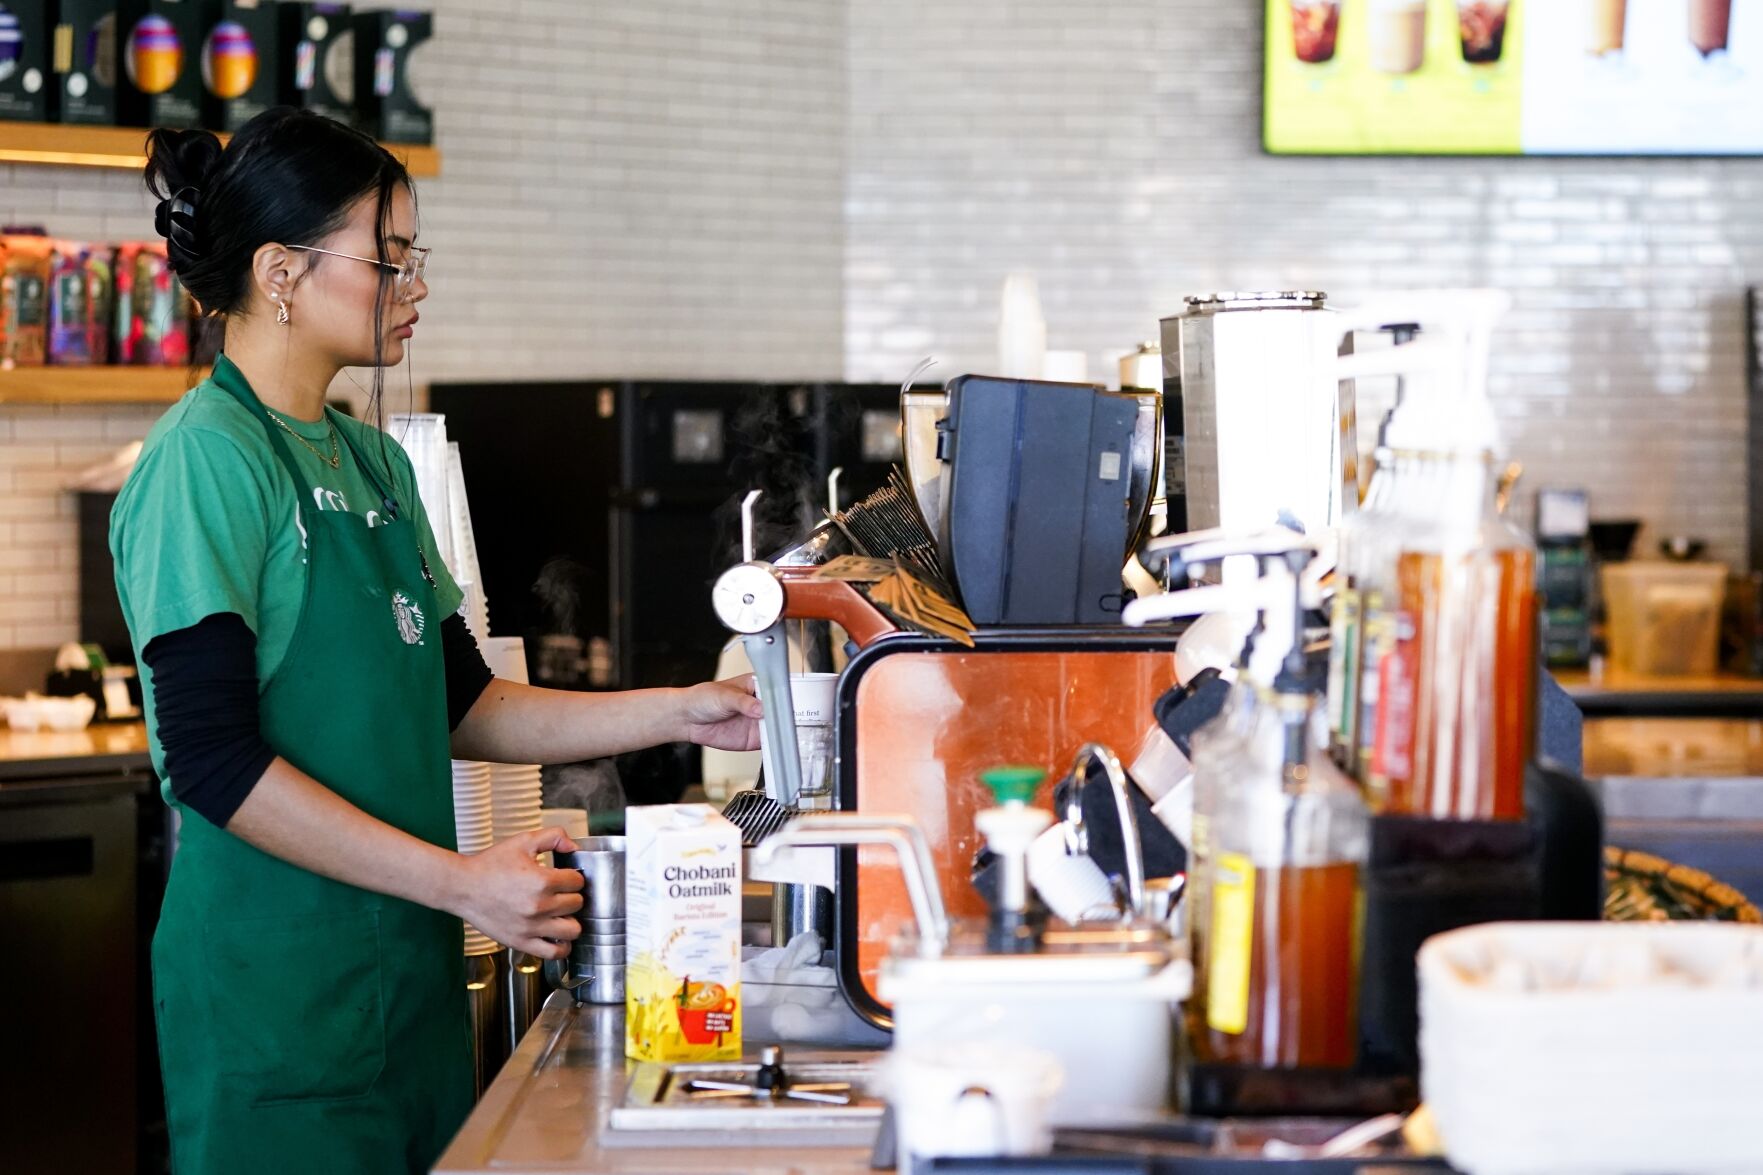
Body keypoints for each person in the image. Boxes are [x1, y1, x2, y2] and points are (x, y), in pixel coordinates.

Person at [109, 108, 762, 1175]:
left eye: (417, 260)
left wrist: (684, 707)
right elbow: (211, 761)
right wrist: (463, 881)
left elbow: (462, 700)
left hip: (407, 989)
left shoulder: (375, 465)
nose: (414, 288)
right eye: (391, 260)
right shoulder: (206, 462)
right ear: (280, 272)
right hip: (282, 1003)